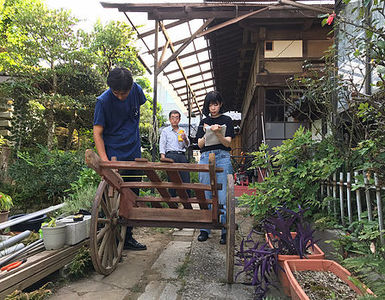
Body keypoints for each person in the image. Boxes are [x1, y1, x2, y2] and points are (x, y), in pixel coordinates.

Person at [93, 67, 147, 251]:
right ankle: (107, 238)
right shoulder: (103, 101)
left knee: (131, 196)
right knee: (110, 199)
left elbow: (132, 116)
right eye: (117, 93)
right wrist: (105, 162)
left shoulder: (137, 91)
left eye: (125, 93)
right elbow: (98, 133)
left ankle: (127, 237)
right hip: (114, 155)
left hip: (134, 153)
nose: (121, 96)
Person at [196, 91, 234, 245]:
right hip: (205, 156)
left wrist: (218, 133)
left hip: (223, 156)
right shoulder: (203, 121)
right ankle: (205, 229)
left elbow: (228, 143)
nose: (213, 108)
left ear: (220, 104)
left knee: (223, 194)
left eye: (216, 104)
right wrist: (207, 132)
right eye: (210, 105)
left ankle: (225, 229)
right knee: (206, 192)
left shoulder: (227, 120)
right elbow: (199, 144)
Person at [159, 110, 190, 196]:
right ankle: (173, 202)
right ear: (169, 119)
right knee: (172, 179)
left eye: (177, 118)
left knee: (185, 178)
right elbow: (162, 144)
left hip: (181, 155)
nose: (174, 120)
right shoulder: (165, 131)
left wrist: (185, 139)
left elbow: (187, 145)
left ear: (179, 119)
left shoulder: (182, 130)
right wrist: (163, 157)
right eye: (172, 118)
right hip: (170, 155)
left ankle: (187, 202)